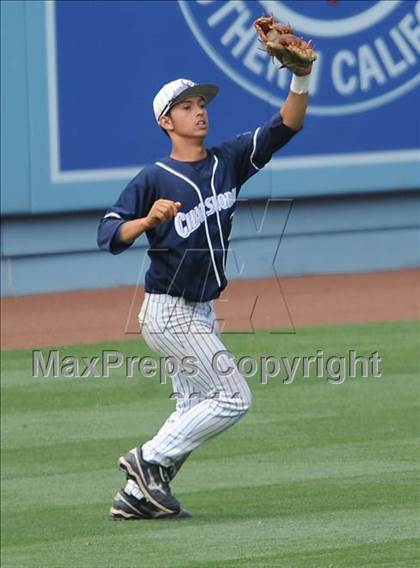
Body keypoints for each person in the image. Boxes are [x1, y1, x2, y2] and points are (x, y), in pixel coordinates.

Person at [97, 67, 311, 519]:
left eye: (202, 105)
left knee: (194, 406)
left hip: (201, 312)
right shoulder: (153, 179)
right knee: (233, 398)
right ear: (165, 122)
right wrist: (146, 222)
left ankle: (136, 497)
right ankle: (148, 459)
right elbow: (108, 234)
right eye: (187, 106)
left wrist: (302, 78)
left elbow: (286, 125)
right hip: (168, 312)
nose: (199, 112)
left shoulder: (227, 161)